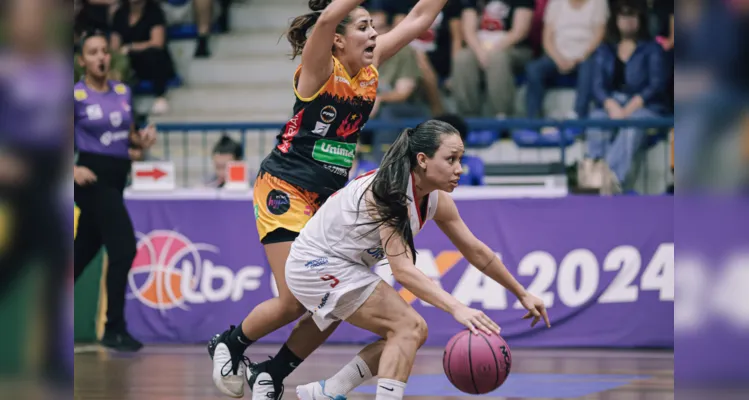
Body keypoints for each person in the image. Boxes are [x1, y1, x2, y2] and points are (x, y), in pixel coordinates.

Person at [206, 0, 453, 398]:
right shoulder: (320, 68)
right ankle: (230, 344)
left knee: (338, 295)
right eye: (363, 27)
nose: (374, 33)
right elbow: (324, 19)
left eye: (374, 26)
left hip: (328, 197)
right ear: (337, 40)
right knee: (293, 300)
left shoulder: (369, 70)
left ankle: (271, 373)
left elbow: (421, 17)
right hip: (285, 187)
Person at [285, 120, 550, 400]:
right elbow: (403, 271)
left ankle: (328, 391)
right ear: (422, 160)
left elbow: (477, 251)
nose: (460, 168)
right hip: (316, 263)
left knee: (415, 331)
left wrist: (522, 293)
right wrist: (457, 307)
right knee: (407, 327)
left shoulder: (435, 198)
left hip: (345, 264)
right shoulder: (389, 192)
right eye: (451, 159)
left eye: (460, 158)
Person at [73, 31, 157, 352]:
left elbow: (128, 137)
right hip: (91, 180)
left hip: (117, 179)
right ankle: (114, 328)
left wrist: (141, 142)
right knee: (124, 249)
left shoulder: (122, 92)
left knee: (81, 254)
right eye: (93, 52)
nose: (100, 57)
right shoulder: (75, 96)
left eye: (104, 51)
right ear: (83, 60)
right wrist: (72, 168)